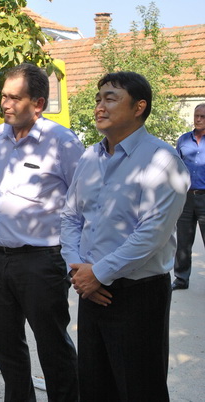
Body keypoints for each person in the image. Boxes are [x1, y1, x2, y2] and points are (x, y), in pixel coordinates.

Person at [61, 71, 190, 401]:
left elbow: (152, 234)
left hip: (138, 295)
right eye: (98, 99)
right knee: (94, 385)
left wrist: (98, 273)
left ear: (139, 107)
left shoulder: (162, 160)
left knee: (139, 388)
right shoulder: (90, 157)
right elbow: (71, 217)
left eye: (110, 98)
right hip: (90, 290)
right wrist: (78, 269)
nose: (99, 107)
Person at [0, 63, 84, 402]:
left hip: (42, 261)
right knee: (5, 344)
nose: (5, 104)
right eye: (3, 96)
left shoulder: (63, 142)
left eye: (15, 98)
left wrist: (77, 260)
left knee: (53, 347)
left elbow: (84, 205)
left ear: (38, 104)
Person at [173, 103, 205, 290]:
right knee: (183, 241)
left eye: (202, 116)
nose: (198, 119)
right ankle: (181, 279)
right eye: (196, 115)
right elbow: (176, 166)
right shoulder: (184, 140)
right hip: (186, 198)